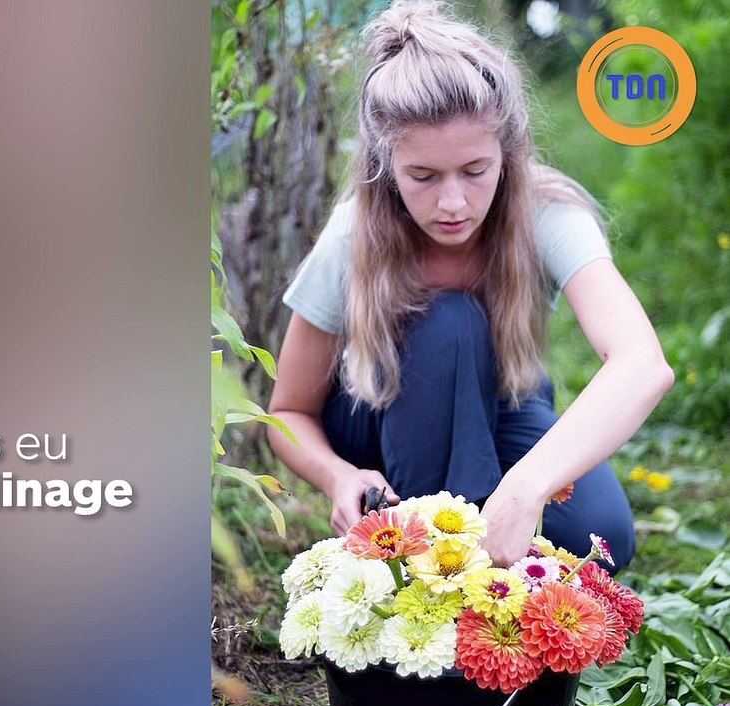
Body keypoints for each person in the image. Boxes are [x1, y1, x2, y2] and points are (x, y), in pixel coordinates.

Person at [266, 0, 673, 570]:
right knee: (451, 322)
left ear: (506, 153)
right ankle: (425, 573)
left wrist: (528, 485)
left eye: (476, 171)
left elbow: (642, 362)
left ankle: (480, 545)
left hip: (499, 405)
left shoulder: (546, 213)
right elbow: (286, 411)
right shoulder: (354, 234)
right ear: (385, 165)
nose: (453, 203)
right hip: (379, 414)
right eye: (423, 177)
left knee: (599, 537)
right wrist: (339, 476)